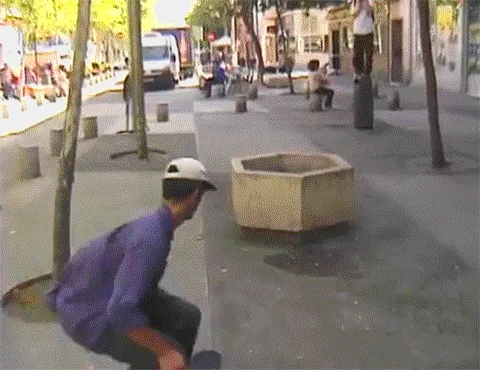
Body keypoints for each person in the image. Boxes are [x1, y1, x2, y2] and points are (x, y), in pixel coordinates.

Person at [46, 158, 217, 370]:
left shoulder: (155, 224)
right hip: (89, 317)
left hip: (95, 296)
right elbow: (119, 312)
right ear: (195, 195)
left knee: (187, 317)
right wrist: (165, 351)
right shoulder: (151, 240)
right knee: (166, 352)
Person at [351, 0, 375, 83]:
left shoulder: (369, 2)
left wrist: (367, 5)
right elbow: (353, 14)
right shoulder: (354, 3)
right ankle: (357, 73)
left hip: (368, 32)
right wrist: (358, 5)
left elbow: (371, 9)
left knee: (369, 54)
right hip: (357, 33)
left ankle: (367, 73)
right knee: (357, 55)